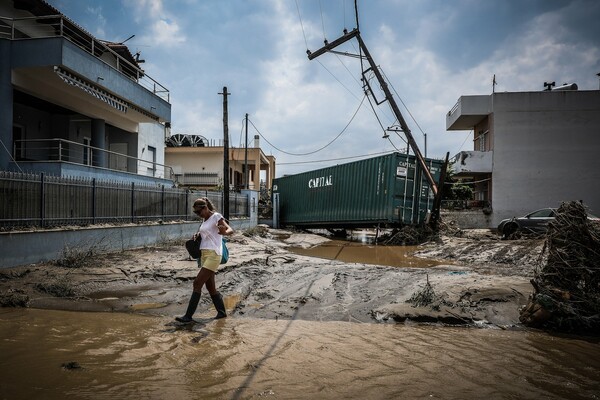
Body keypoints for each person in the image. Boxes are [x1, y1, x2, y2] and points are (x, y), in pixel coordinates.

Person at [176, 197, 233, 323]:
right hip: (205, 254)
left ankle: (188, 316)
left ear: (205, 208)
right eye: (196, 213)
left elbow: (230, 229)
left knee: (197, 283)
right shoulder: (204, 220)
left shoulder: (216, 216)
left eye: (199, 212)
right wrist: (197, 236)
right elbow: (207, 234)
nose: (198, 214)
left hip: (214, 254)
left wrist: (224, 232)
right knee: (210, 287)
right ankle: (222, 313)